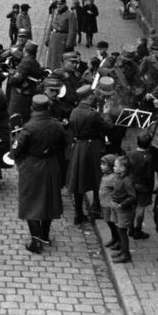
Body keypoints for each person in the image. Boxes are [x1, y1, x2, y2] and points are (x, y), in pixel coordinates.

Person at [12, 95, 67, 254]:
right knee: (49, 198)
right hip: (51, 165)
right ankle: (44, 234)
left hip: (32, 167)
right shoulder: (56, 126)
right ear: (47, 108)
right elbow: (64, 144)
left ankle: (36, 241)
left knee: (30, 201)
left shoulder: (29, 127)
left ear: (32, 108)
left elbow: (17, 149)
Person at [66, 85, 107, 225]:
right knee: (97, 178)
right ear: (89, 97)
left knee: (79, 181)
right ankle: (96, 209)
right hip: (92, 148)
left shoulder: (74, 111)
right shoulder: (93, 114)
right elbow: (106, 128)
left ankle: (78, 213)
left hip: (78, 147)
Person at [110, 155, 137, 263]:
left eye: (116, 166)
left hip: (123, 210)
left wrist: (122, 204)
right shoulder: (118, 177)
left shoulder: (127, 181)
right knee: (118, 228)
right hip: (116, 206)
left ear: (123, 168)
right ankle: (122, 250)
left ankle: (126, 254)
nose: (113, 167)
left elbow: (132, 196)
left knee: (122, 231)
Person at [129, 132, 154, 239]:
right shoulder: (149, 157)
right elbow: (149, 175)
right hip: (143, 187)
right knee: (140, 208)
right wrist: (151, 187)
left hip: (131, 185)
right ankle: (138, 230)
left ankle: (130, 228)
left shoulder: (130, 154)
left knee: (131, 207)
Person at [44, 0, 77, 70]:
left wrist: (69, 44)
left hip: (63, 40)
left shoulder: (70, 14)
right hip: (53, 39)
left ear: (65, 4)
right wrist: (47, 38)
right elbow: (50, 27)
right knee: (52, 59)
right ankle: (51, 71)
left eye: (61, 4)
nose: (59, 6)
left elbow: (72, 31)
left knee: (60, 60)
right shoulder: (55, 13)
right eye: (58, 4)